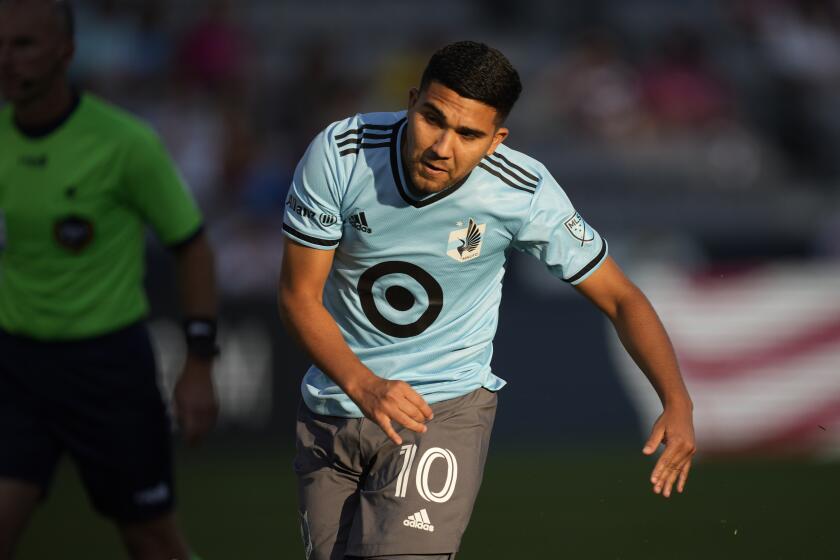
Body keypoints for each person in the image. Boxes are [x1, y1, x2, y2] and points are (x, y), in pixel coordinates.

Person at [278, 40, 696, 560]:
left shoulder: (521, 191)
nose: (443, 147)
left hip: (441, 408)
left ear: (496, 141)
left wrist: (676, 400)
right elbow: (298, 294)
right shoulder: (341, 154)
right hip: (332, 407)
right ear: (412, 101)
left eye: (469, 134)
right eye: (433, 118)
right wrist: (364, 384)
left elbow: (620, 296)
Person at [0, 1, 219, 559]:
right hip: (16, 367)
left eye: (23, 45)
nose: (6, 59)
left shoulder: (125, 143)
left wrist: (198, 363)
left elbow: (191, 245)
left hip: (106, 369)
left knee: (151, 539)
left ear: (66, 52)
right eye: (0, 44)